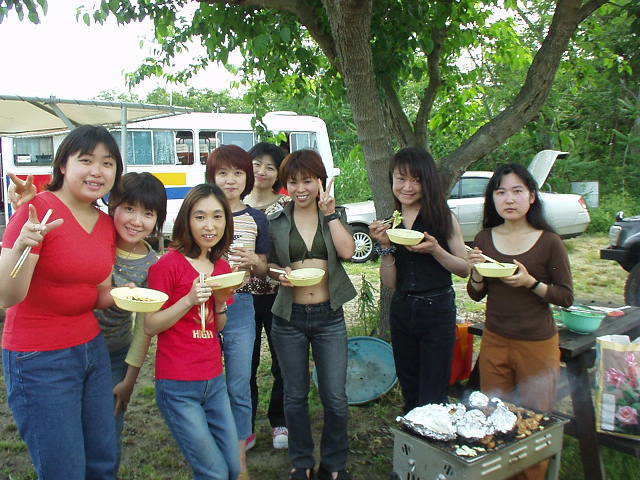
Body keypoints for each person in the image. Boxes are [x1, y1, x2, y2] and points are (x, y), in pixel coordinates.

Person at [7, 171, 168, 473]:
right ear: (112, 206)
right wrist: (28, 204)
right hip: (63, 347)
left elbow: (143, 329)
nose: (136, 221)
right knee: (64, 438)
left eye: (148, 214)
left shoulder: (150, 263)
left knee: (104, 439)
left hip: (113, 352)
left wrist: (129, 379)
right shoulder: (96, 232)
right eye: (129, 209)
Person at [0, 125, 123, 479]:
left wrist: (132, 295)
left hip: (91, 349)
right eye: (86, 160)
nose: (97, 171)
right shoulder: (36, 211)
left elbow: (97, 292)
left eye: (107, 163)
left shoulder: (105, 223)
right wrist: (22, 246)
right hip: (39, 357)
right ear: (63, 165)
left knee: (103, 460)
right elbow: (7, 297)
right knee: (63, 468)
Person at [466, 163, 573, 480]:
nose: (509, 199)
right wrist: (475, 272)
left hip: (536, 344)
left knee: (533, 420)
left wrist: (531, 283)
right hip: (495, 340)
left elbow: (565, 296)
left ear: (532, 197)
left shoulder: (549, 242)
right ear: (492, 199)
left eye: (517, 191)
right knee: (494, 415)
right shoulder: (484, 238)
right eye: (500, 192)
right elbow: (475, 293)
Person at [268, 149, 356, 480]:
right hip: (288, 317)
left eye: (307, 180)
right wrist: (279, 274)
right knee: (294, 395)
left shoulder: (334, 213)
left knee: (335, 397)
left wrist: (330, 215)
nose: (300, 188)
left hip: (328, 316)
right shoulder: (276, 219)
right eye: (293, 182)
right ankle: (302, 462)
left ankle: (334, 464)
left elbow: (348, 252)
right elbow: (267, 265)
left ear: (320, 181)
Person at [145, 183, 241, 480]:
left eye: (217, 217)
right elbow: (150, 325)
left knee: (234, 467)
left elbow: (217, 326)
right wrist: (188, 300)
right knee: (214, 472)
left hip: (214, 380)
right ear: (186, 220)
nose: (209, 226)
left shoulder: (222, 267)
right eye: (200, 217)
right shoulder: (167, 265)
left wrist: (221, 303)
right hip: (178, 384)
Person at [369, 147, 469, 413]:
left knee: (434, 390)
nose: (408, 187)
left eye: (416, 179)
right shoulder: (392, 223)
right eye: (401, 179)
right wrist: (385, 246)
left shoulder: (443, 218)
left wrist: (436, 250)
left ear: (427, 182)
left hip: (437, 308)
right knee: (410, 385)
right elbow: (390, 283)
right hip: (403, 308)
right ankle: (413, 431)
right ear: (392, 180)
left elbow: (464, 269)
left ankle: (433, 430)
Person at [206, 144, 269, 471]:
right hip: (203, 304)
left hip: (241, 303)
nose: (230, 180)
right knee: (207, 376)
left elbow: (264, 268)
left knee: (239, 379)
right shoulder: (203, 212)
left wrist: (255, 261)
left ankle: (242, 439)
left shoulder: (256, 218)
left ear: (247, 178)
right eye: (222, 173)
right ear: (212, 176)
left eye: (237, 173)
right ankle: (212, 435)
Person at [245, 142, 289, 449]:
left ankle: (280, 420)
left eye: (270, 167)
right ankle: (244, 424)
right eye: (256, 164)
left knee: (282, 360)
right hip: (241, 295)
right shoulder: (233, 202)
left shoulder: (286, 206)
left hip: (278, 293)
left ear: (278, 174)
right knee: (244, 363)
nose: (262, 171)